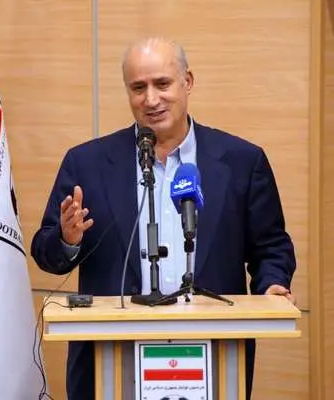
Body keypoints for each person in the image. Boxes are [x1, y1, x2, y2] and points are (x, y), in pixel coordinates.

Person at [30, 37, 296, 400]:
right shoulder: (87, 163)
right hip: (110, 362)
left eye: (162, 84)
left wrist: (272, 285)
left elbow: (271, 246)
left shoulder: (242, 161)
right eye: (138, 88)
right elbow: (46, 253)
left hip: (212, 354)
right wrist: (67, 240)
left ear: (187, 81)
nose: (151, 99)